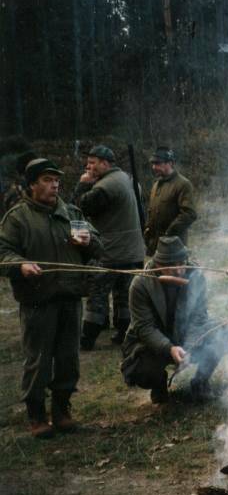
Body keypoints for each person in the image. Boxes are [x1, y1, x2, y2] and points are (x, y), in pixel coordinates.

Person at [0, 158, 102, 437]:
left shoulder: (71, 212)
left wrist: (88, 241)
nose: (54, 184)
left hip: (70, 297)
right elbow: (3, 252)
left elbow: (98, 245)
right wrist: (20, 264)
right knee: (39, 360)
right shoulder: (17, 218)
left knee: (68, 358)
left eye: (56, 180)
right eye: (47, 180)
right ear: (32, 185)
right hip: (37, 299)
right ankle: (36, 415)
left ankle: (62, 410)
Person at [121, 236, 225, 403]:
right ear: (158, 265)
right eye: (171, 266)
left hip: (185, 335)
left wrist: (190, 346)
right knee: (142, 370)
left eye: (181, 263)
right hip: (154, 342)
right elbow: (144, 327)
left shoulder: (196, 277)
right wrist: (169, 348)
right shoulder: (141, 284)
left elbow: (199, 318)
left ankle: (200, 382)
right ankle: (158, 384)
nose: (178, 271)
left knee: (222, 334)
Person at [74, 145, 146, 348]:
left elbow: (80, 208)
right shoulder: (128, 179)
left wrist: (83, 185)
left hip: (110, 252)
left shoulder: (105, 187)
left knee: (97, 295)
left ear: (105, 163)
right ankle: (124, 333)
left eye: (92, 163)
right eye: (88, 163)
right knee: (125, 296)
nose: (88, 167)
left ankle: (87, 338)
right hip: (132, 251)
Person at [144, 146, 198, 256]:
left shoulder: (183, 184)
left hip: (174, 246)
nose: (154, 167)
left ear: (170, 163)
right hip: (156, 246)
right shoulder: (156, 185)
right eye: (153, 164)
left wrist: (169, 234)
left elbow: (189, 214)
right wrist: (147, 235)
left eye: (158, 163)